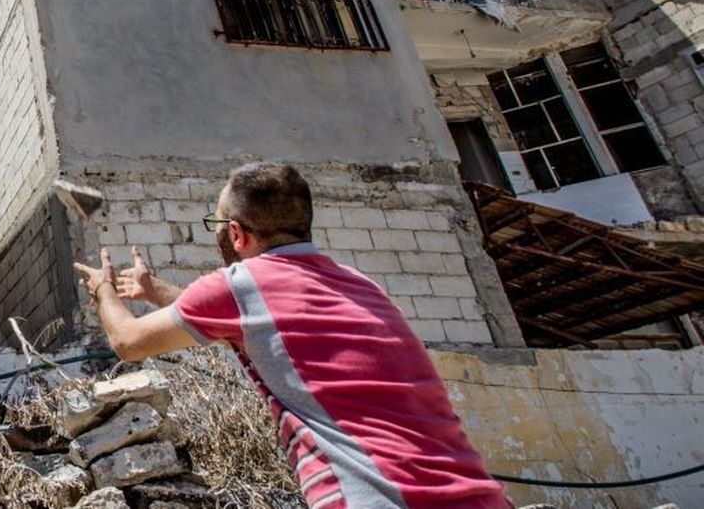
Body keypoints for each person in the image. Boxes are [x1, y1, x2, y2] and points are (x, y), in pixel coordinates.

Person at [73, 162, 508, 508]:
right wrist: (155, 291)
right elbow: (250, 324)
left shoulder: (239, 286)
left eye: (216, 223)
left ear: (236, 233)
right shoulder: (358, 284)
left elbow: (128, 341)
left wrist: (104, 290)